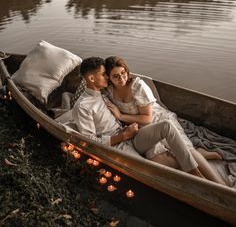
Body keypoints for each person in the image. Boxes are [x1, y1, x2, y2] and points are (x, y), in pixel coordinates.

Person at [72, 57, 224, 184]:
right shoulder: (84, 106)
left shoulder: (104, 90)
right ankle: (199, 155)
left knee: (167, 126)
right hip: (119, 142)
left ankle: (195, 173)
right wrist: (122, 136)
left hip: (134, 131)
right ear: (92, 78)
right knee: (151, 170)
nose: (107, 77)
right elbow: (88, 140)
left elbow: (96, 83)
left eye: (107, 74)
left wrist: (126, 128)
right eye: (105, 75)